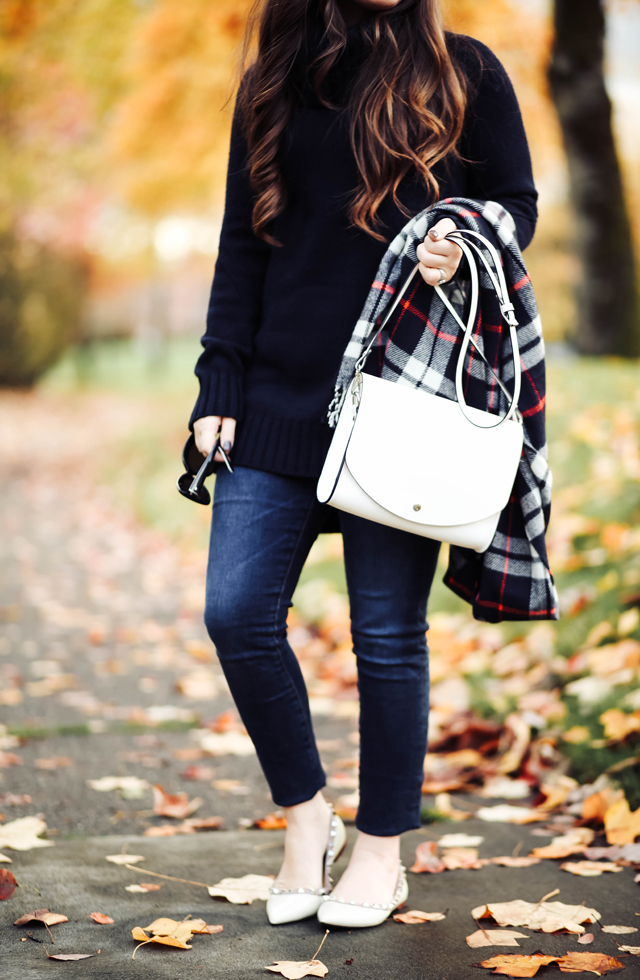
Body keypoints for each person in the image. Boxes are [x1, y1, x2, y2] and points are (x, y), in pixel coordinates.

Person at [189, 0, 537, 928]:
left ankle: (381, 850)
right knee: (236, 612)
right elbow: (242, 241)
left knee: (386, 637)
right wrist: (218, 383)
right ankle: (309, 822)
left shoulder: (465, 71)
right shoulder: (274, 78)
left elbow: (519, 205)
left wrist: (458, 236)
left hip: (402, 400)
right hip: (278, 395)